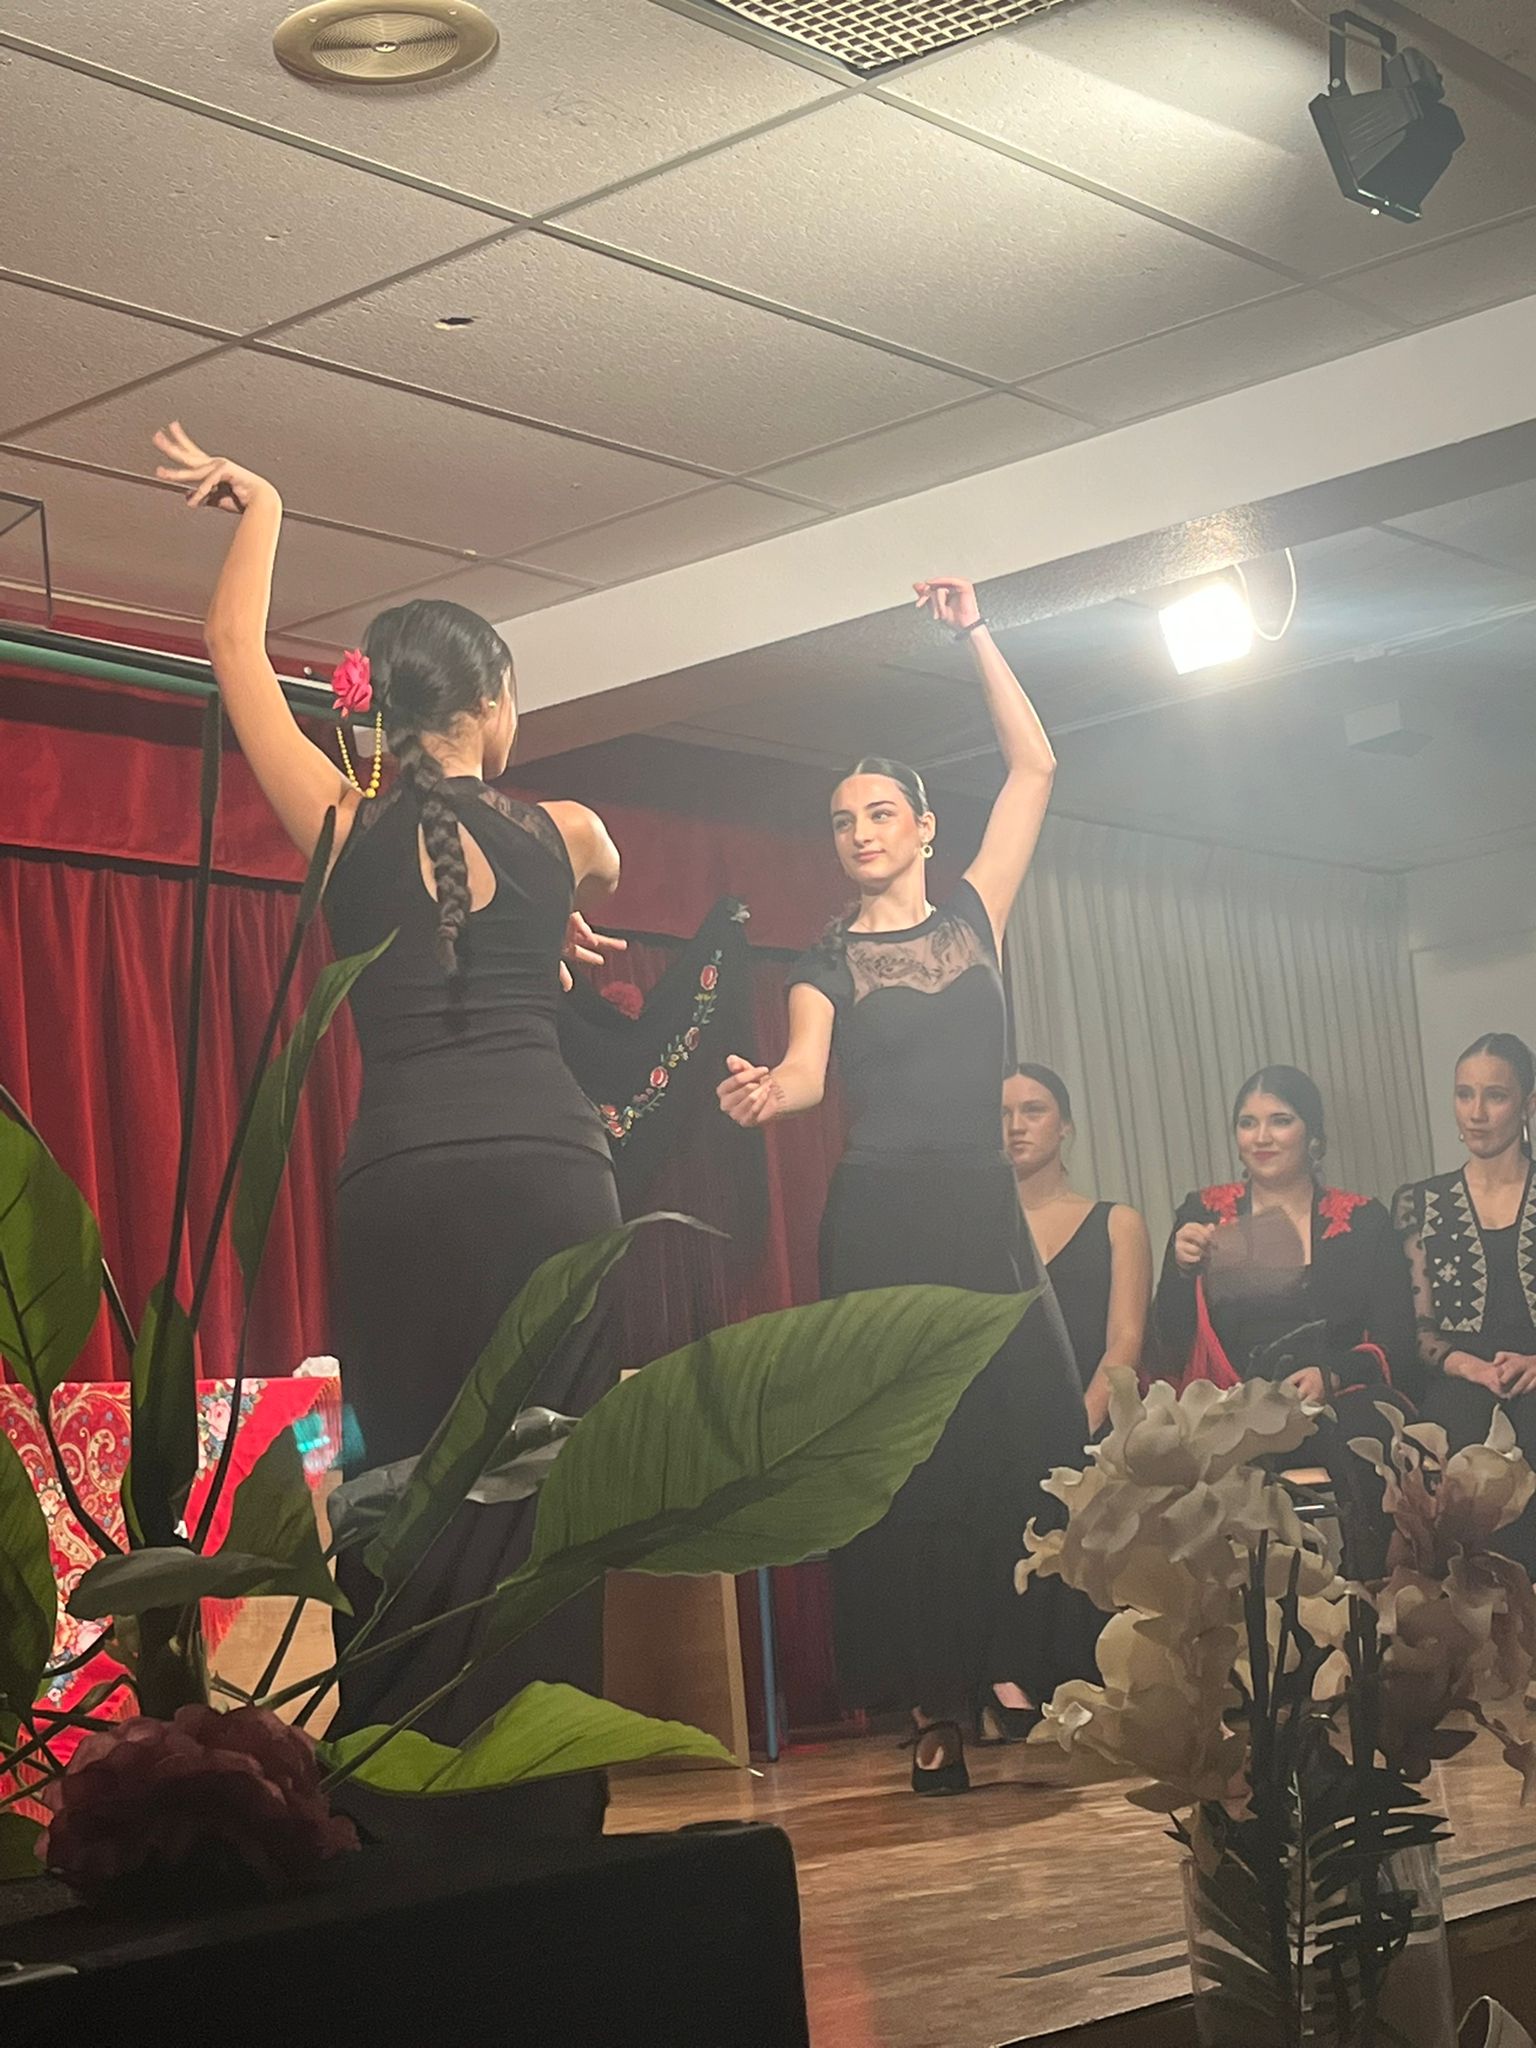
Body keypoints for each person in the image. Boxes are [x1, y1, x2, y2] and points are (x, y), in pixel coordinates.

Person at [154, 423, 625, 1824]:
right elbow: (573, 877)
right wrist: (552, 925)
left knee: (404, 1481)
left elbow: (233, 650)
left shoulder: (338, 827)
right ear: (492, 703)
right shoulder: (569, 832)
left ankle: (413, 1802)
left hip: (404, 1177)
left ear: (385, 710)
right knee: (549, 1481)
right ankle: (551, 1800)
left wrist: (266, 505)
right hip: (552, 1170)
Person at [717, 576, 1090, 1795]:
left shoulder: (978, 912)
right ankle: (932, 1705)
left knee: (1041, 1428)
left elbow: (1035, 765)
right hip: (881, 1223)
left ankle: (1022, 1665)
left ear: (926, 825)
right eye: (842, 819)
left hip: (983, 1216)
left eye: (881, 811)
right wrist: (769, 1092)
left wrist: (977, 632)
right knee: (909, 1461)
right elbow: (807, 1071)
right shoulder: (827, 955)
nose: (861, 831)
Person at [1152, 1065, 1416, 1577]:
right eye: (1247, 1123)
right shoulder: (1203, 1212)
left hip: (1334, 1401)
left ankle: (1363, 1595)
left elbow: (1396, 1341)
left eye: (1280, 1120)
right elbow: (1170, 1339)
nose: (1262, 1137)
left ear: (1313, 1135)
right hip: (1232, 1403)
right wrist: (1181, 1271)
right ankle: (1238, 1607)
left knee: (1365, 1434)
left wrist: (1331, 1375)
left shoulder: (1364, 1219)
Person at [1394, 1033, 1536, 1574]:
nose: (1476, 1113)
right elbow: (1416, 1330)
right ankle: (1464, 1613)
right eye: (1464, 1094)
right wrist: (1472, 1367)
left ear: (1527, 1104)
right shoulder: (1419, 1202)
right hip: (1458, 1376)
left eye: (1495, 1095)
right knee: (1449, 1443)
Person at [1003, 1064, 1151, 1436]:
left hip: (1097, 1434)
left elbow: (1126, 1340)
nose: (1016, 1126)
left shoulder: (1118, 1223)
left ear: (1064, 1124)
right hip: (999, 1434)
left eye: (1033, 1110)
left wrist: (1080, 1425)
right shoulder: (977, 1232)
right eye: (1002, 1114)